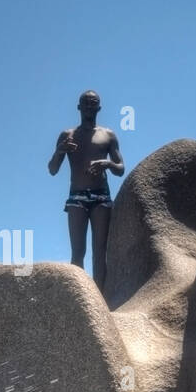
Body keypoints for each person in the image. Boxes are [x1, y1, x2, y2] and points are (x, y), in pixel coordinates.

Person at [48, 90, 124, 294]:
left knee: (100, 253)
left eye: (94, 103)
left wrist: (106, 163)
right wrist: (59, 151)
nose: (90, 106)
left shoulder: (108, 135)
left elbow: (120, 168)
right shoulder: (68, 135)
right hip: (77, 198)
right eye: (86, 103)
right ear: (79, 107)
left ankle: (100, 300)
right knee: (77, 252)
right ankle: (79, 299)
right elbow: (53, 169)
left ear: (99, 107)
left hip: (101, 197)